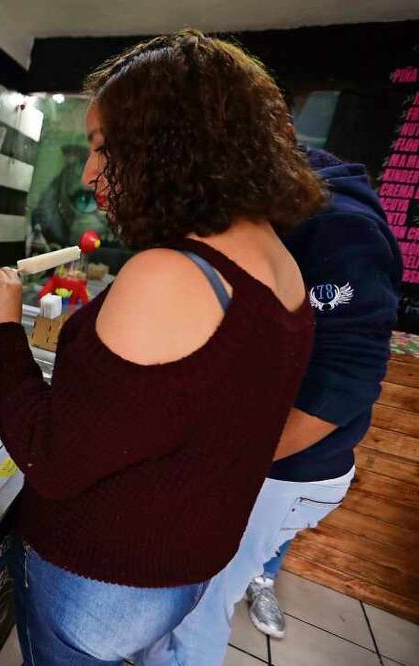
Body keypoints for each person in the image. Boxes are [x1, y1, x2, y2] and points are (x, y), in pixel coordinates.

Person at [0, 30, 325, 665]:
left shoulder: (170, 273)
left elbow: (50, 456)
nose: (88, 172)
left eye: (104, 149)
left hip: (100, 583)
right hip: (186, 570)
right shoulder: (278, 262)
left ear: (170, 145)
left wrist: (0, 328)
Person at [138, 147, 403, 665]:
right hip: (251, 458)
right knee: (183, 597)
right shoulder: (257, 215)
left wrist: (224, 463)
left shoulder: (335, 226)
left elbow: (346, 379)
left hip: (284, 473)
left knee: (199, 609)